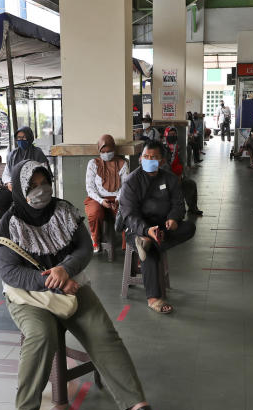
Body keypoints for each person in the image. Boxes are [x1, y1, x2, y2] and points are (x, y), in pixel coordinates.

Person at [0, 160, 167, 410]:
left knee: (103, 332)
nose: (41, 190)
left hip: (71, 284)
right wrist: (52, 279)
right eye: (33, 186)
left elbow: (85, 248)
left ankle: (136, 401)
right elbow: (10, 272)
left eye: (44, 183)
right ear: (21, 190)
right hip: (29, 296)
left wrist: (66, 270)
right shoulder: (9, 223)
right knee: (41, 335)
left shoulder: (63, 211)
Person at [119, 142, 196, 314]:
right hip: (137, 229)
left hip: (163, 228)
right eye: (146, 157)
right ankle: (153, 298)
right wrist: (146, 231)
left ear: (161, 161)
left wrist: (173, 219)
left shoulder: (169, 179)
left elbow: (178, 204)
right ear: (140, 159)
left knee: (189, 227)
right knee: (151, 252)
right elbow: (129, 215)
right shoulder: (131, 181)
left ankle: (148, 243)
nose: (149, 160)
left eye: (153, 157)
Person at [0, 126, 50, 217]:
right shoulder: (12, 155)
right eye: (19, 138)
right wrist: (9, 183)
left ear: (30, 138)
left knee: (28, 204)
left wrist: (31, 185)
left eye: (24, 137)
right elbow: (6, 174)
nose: (21, 140)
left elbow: (45, 173)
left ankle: (25, 221)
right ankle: (11, 220)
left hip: (32, 188)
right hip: (14, 188)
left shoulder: (37, 153)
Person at [84, 134, 128, 254]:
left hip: (118, 198)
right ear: (99, 150)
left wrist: (117, 200)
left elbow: (125, 186)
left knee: (126, 211)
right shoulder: (93, 164)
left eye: (109, 151)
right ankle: (95, 241)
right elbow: (90, 188)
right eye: (103, 151)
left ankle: (127, 245)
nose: (106, 153)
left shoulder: (122, 164)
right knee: (94, 213)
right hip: (97, 198)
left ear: (114, 149)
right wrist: (101, 201)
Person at [162, 127, 203, 216]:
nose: (173, 136)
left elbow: (181, 162)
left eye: (174, 134)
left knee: (191, 184)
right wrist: (175, 179)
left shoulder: (177, 147)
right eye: (170, 134)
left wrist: (182, 174)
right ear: (166, 135)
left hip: (179, 176)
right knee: (176, 188)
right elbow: (164, 167)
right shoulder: (163, 149)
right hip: (166, 181)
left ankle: (193, 208)